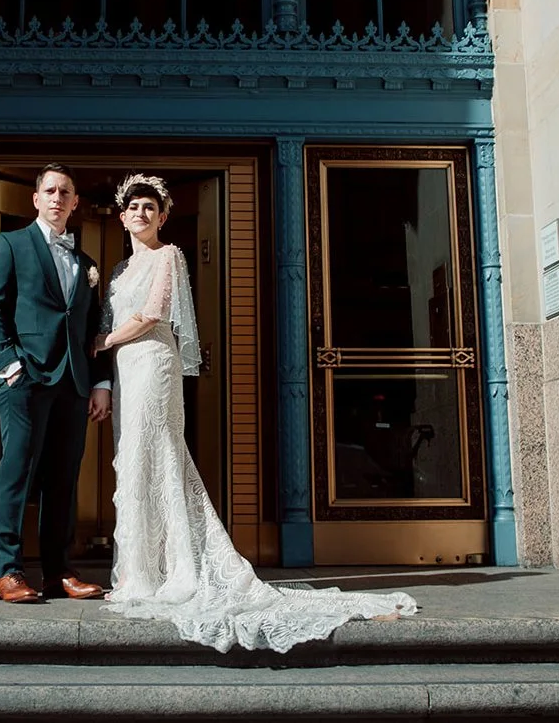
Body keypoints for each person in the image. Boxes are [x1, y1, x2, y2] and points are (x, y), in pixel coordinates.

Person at [97, 173, 418, 652]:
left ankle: (180, 569)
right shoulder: (119, 269)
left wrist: (101, 342)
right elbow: (112, 315)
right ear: (122, 217)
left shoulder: (170, 256)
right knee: (134, 461)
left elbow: (153, 313)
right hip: (127, 369)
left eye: (150, 208)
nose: (141, 214)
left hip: (153, 362)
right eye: (134, 208)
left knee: (159, 455)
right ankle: (138, 573)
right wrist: (105, 350)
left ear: (162, 217)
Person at [0, 163, 112, 604]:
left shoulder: (86, 262)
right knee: (17, 472)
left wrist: (101, 382)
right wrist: (9, 365)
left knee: (63, 479)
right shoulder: (9, 244)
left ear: (74, 202)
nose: (56, 197)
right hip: (25, 378)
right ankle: (8, 571)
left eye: (65, 191)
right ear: (36, 199)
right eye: (49, 190)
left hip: (73, 382)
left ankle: (58, 571)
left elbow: (93, 325)